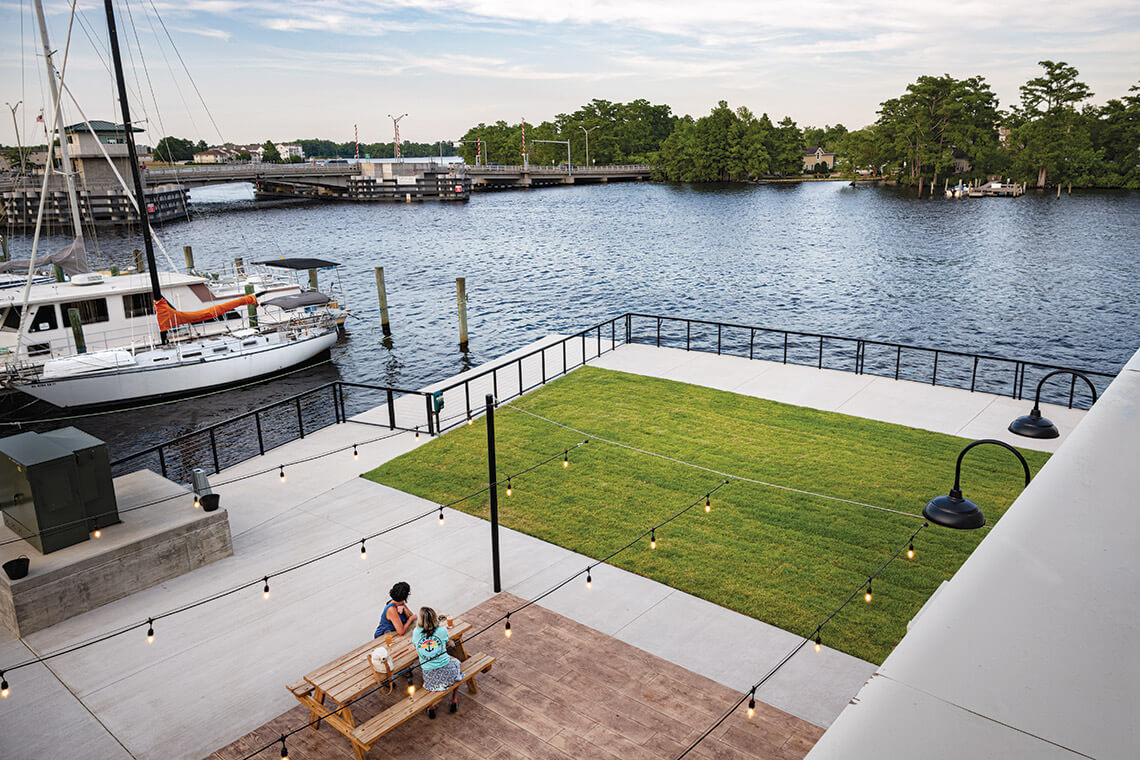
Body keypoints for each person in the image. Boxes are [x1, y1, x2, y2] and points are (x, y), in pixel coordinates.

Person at [413, 606, 463, 718]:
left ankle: (431, 707)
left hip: (430, 681)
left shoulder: (416, 632)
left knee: (430, 666)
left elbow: (415, 645)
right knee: (456, 662)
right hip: (449, 675)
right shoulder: (442, 630)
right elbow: (449, 642)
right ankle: (454, 700)